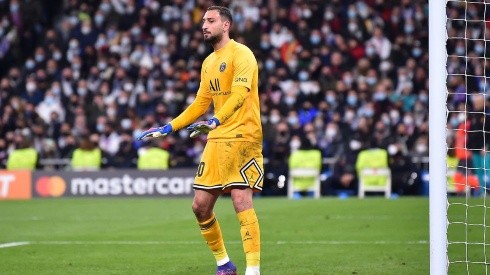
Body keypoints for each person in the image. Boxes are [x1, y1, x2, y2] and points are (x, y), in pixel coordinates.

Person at [136, 6, 263, 275]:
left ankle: (254, 270)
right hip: (216, 139)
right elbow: (200, 104)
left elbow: (240, 94)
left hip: (243, 135)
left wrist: (216, 120)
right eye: (204, 20)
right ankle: (224, 264)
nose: (204, 25)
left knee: (241, 201)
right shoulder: (208, 62)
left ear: (226, 24)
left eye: (211, 20)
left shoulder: (242, 54)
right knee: (200, 207)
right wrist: (167, 128)